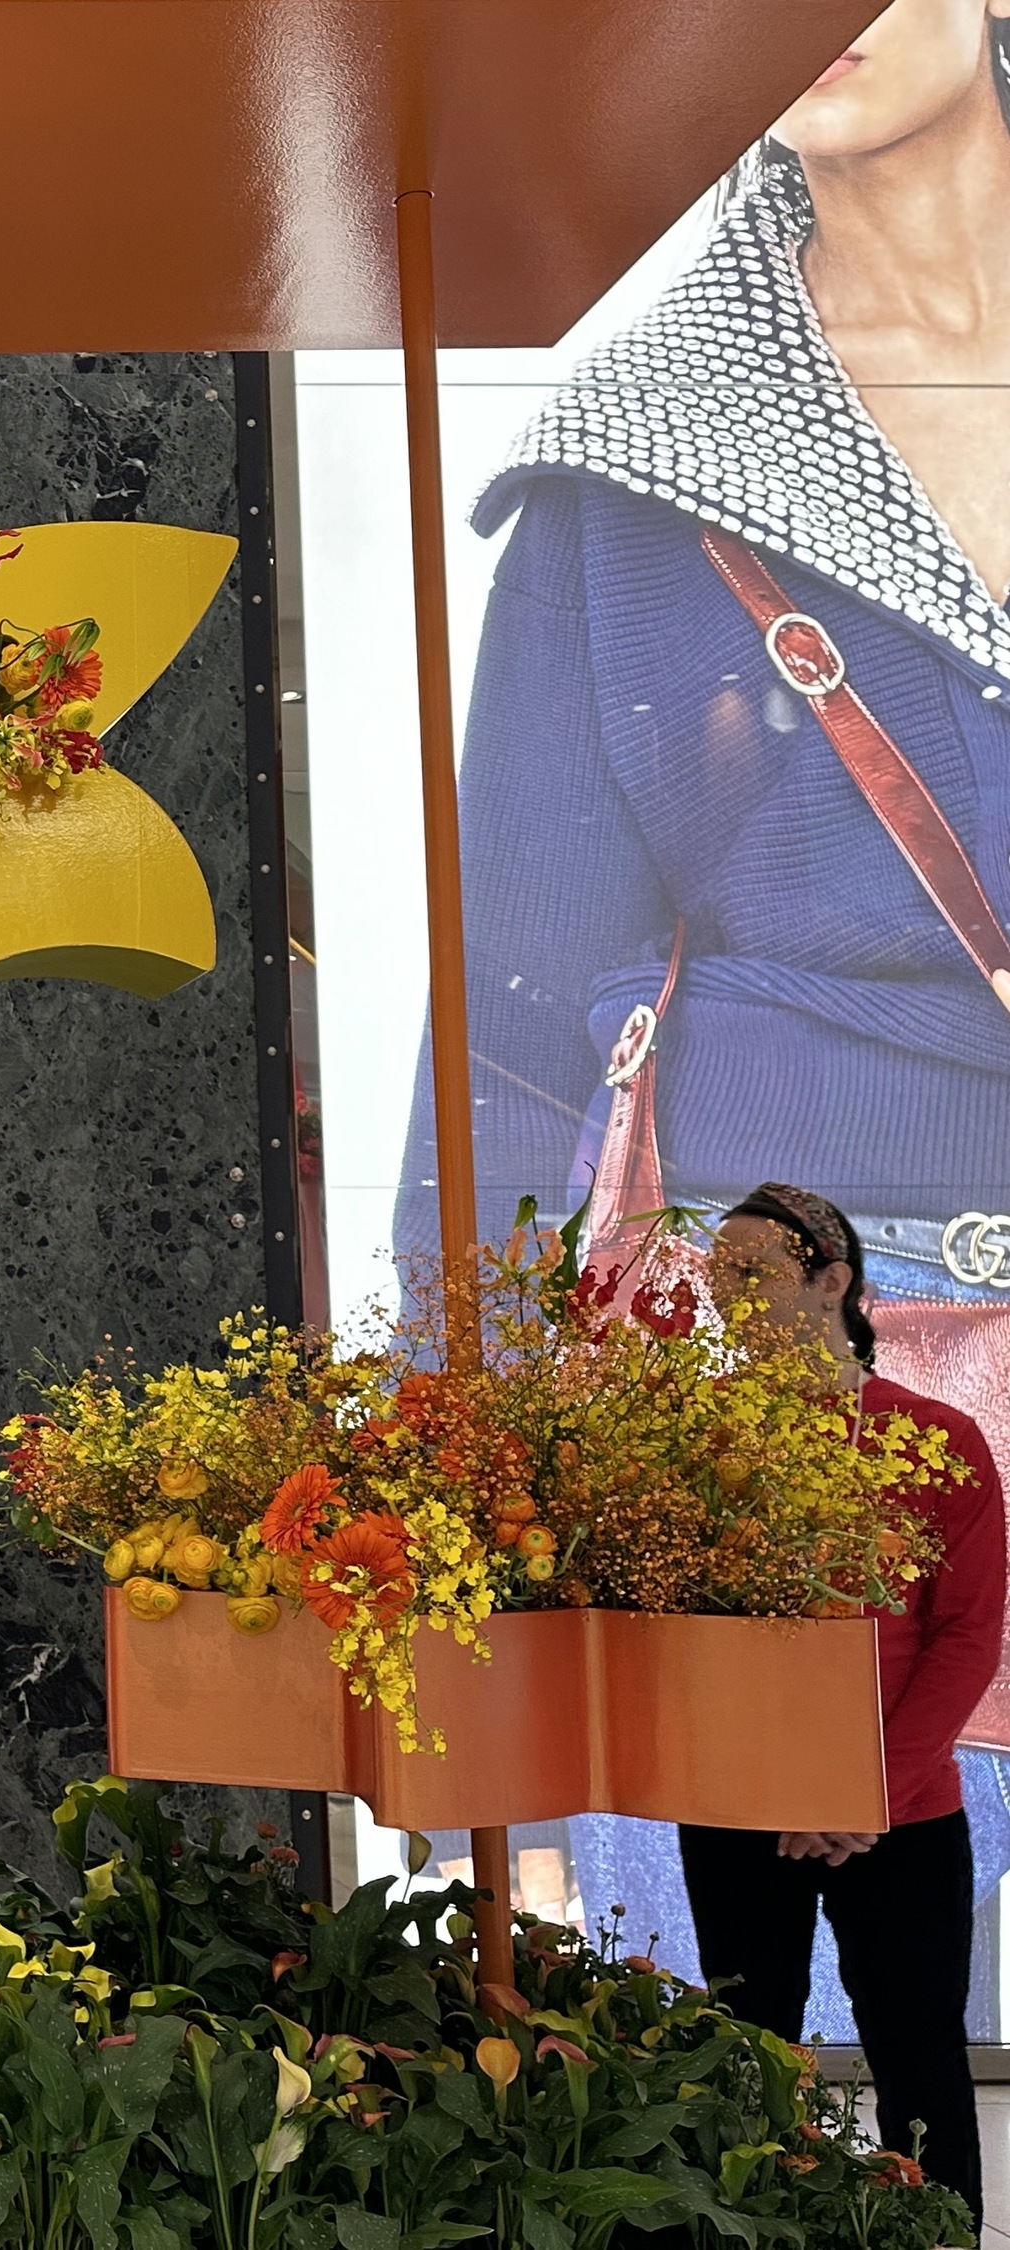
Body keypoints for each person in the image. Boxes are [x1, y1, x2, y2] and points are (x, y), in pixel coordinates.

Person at [392, 0, 1010, 2047]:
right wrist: (468, 1501)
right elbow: (514, 1010)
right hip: (775, 1374)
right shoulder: (636, 466)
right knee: (764, 2078)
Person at [676, 1185, 1003, 2222]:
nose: (724, 1297)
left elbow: (966, 1637)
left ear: (833, 1282)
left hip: (898, 1813)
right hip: (741, 1805)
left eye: (750, 1274)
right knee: (748, 2054)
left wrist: (864, 1786)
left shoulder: (937, 1441)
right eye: (714, 1274)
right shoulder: (689, 1451)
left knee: (919, 2060)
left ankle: (941, 2235)